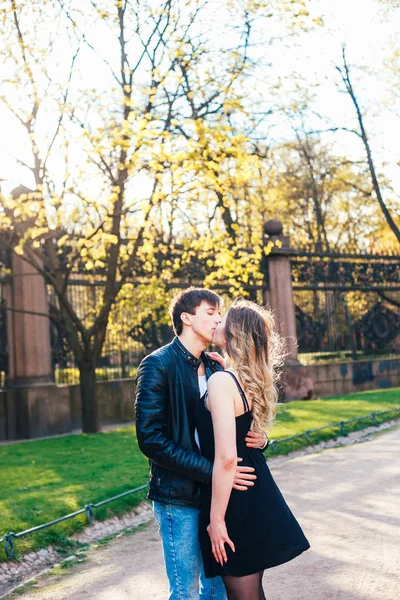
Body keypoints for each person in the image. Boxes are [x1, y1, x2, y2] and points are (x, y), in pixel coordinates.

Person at [135, 288, 269, 600]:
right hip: (178, 496)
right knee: (186, 593)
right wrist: (214, 471)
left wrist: (261, 439)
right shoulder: (157, 365)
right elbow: (151, 440)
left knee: (219, 590)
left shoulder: (215, 367)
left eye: (219, 313)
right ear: (186, 317)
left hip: (217, 496)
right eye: (210, 312)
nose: (218, 319)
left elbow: (234, 427)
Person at [196, 299, 310, 600]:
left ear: (235, 333)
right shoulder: (243, 378)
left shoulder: (222, 381)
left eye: (224, 319)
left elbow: (227, 457)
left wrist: (216, 520)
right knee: (251, 591)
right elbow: (247, 436)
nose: (217, 321)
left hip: (236, 501)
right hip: (254, 492)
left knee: (243, 594)